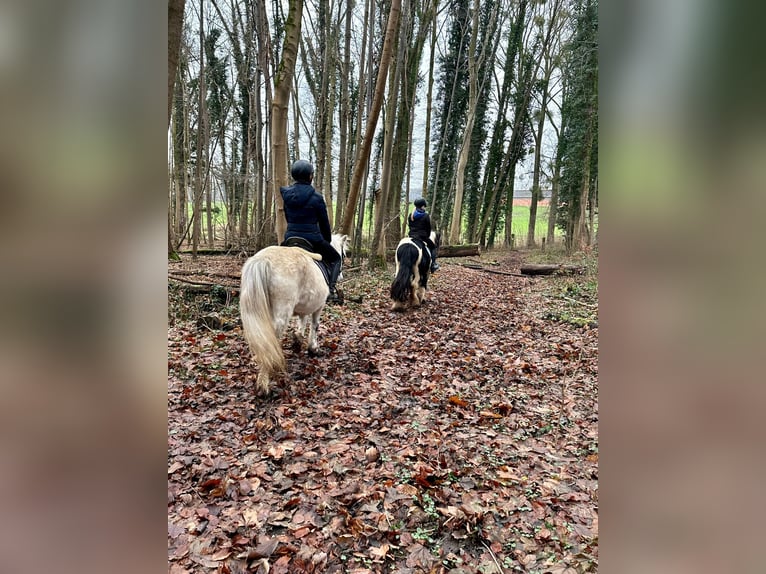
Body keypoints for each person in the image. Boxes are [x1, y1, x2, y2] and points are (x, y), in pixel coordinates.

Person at [281, 159, 342, 302]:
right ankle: (330, 291)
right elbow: (324, 223)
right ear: (310, 176)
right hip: (312, 239)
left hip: (290, 238)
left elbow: (287, 217)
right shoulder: (317, 197)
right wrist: (325, 241)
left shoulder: (286, 196)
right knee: (336, 259)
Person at [407, 197, 439, 272]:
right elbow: (428, 229)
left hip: (411, 236)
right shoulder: (425, 215)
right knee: (433, 247)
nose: (424, 207)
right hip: (422, 237)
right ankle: (433, 264)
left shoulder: (411, 215)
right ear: (422, 206)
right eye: (424, 206)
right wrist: (427, 236)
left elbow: (410, 226)